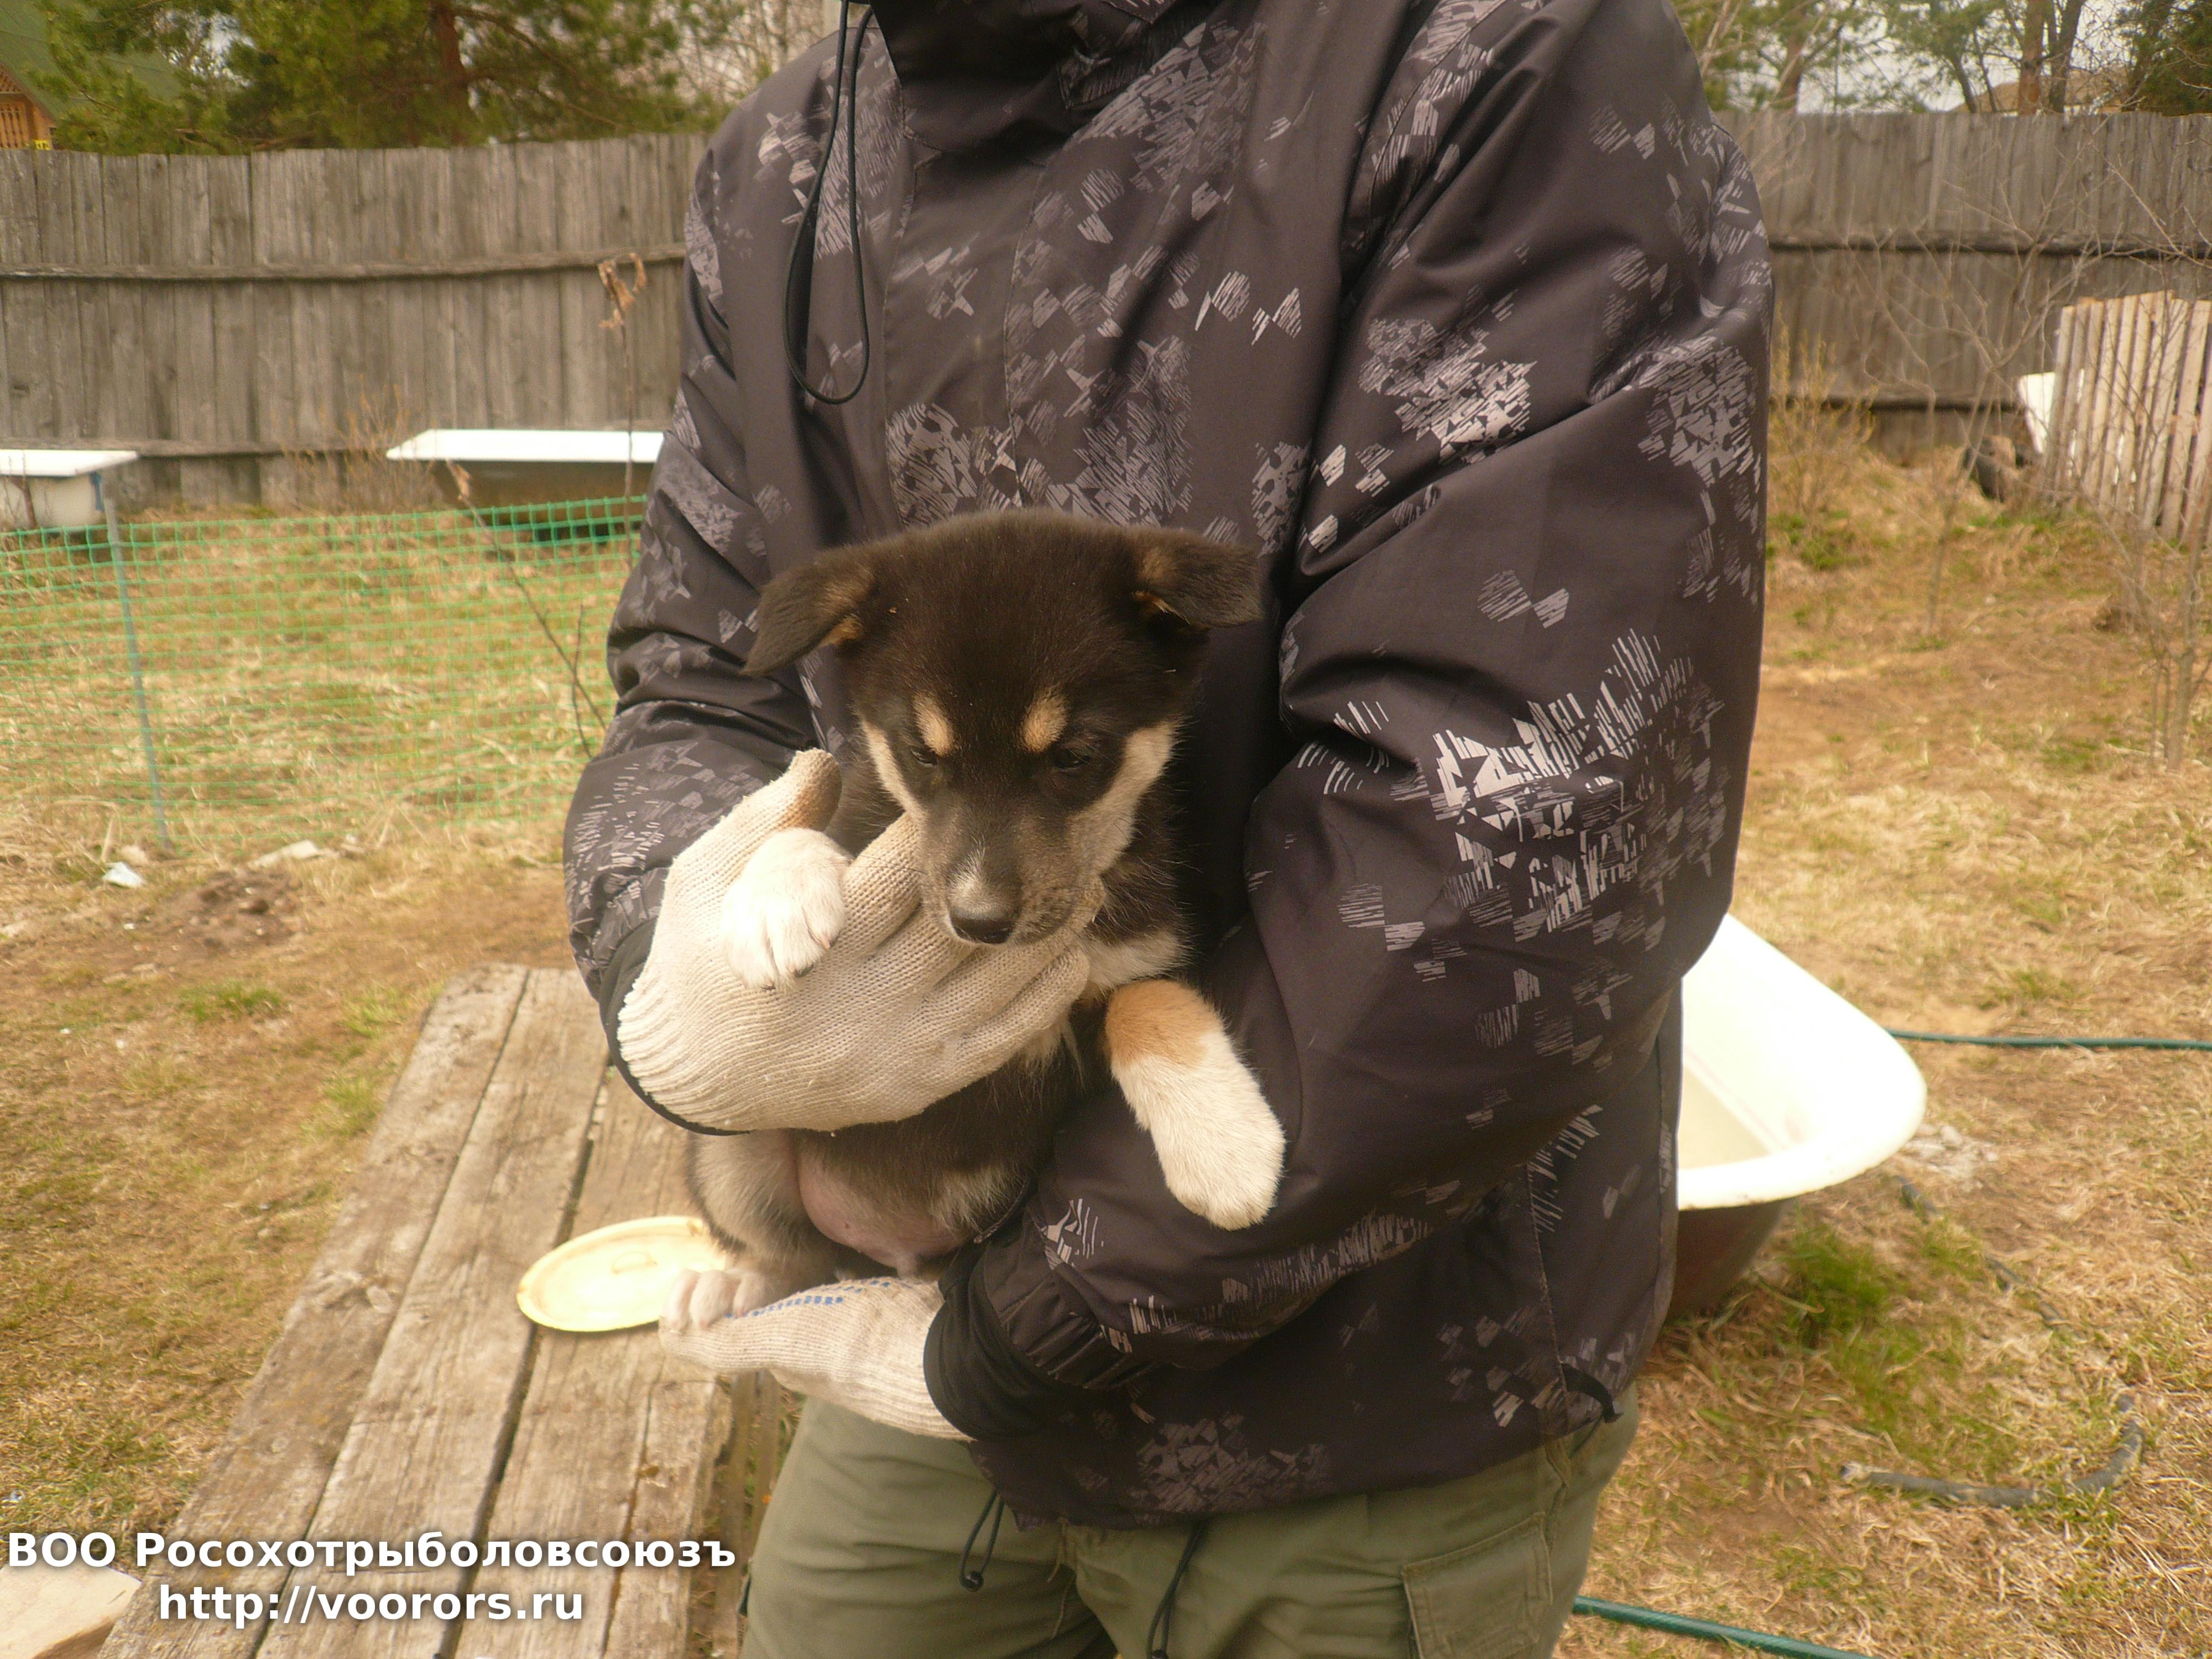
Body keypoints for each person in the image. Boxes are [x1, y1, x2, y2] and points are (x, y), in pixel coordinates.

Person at [564, 0, 1771, 1653]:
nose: (989, 879)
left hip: (1360, 1392)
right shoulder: (785, 158)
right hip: (914, 1341)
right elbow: (705, 679)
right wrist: (670, 958)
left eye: (1066, 770)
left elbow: (1534, 829)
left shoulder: (1488, 56)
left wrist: (1027, 1327)